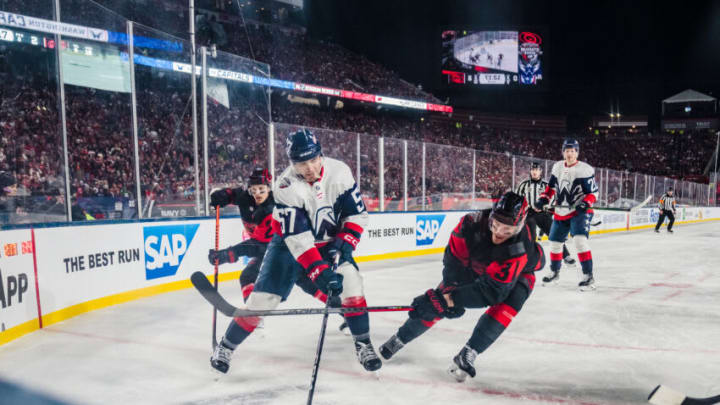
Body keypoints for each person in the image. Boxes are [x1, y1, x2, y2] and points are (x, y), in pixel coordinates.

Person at [210, 129, 382, 374]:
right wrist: (319, 272)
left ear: (321, 155)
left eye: (313, 159)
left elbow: (356, 214)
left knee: (352, 284)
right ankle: (225, 347)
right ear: (293, 163)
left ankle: (363, 343)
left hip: (329, 243)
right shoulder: (285, 186)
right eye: (302, 163)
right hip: (287, 247)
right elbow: (299, 241)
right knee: (263, 301)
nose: (310, 168)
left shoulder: (340, 172)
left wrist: (346, 241)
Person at [378, 192, 545, 382]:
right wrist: (448, 292)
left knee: (508, 305)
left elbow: (492, 292)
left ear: (519, 227)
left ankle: (469, 352)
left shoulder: (519, 248)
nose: (499, 233)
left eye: (507, 230)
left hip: (519, 273)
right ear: (490, 216)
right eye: (496, 225)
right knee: (437, 300)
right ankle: (400, 338)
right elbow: (453, 261)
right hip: (478, 264)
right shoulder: (469, 224)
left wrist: (451, 299)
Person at [207, 168, 332, 307]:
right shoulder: (245, 198)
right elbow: (234, 194)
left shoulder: (274, 208)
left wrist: (229, 254)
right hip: (272, 251)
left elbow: (260, 245)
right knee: (250, 276)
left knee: (306, 282)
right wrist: (222, 196)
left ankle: (344, 310)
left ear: (269, 188)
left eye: (261, 189)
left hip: (285, 250)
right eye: (253, 190)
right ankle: (253, 314)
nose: (257, 194)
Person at [535, 139, 599, 290]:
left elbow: (593, 192)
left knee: (579, 241)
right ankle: (554, 272)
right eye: (567, 151)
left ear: (577, 152)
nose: (569, 154)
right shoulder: (557, 166)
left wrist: (586, 203)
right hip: (561, 211)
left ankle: (588, 276)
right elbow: (550, 188)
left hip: (580, 211)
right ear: (563, 152)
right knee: (555, 243)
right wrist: (544, 199)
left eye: (572, 151)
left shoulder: (585, 169)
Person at [515, 161, 576, 275]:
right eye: (533, 169)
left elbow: (554, 199)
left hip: (543, 213)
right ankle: (527, 260)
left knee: (555, 234)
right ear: (530, 171)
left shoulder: (546, 185)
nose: (534, 172)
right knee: (528, 236)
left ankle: (566, 256)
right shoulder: (524, 184)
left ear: (540, 171)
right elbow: (517, 199)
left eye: (536, 170)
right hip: (528, 214)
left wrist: (549, 207)